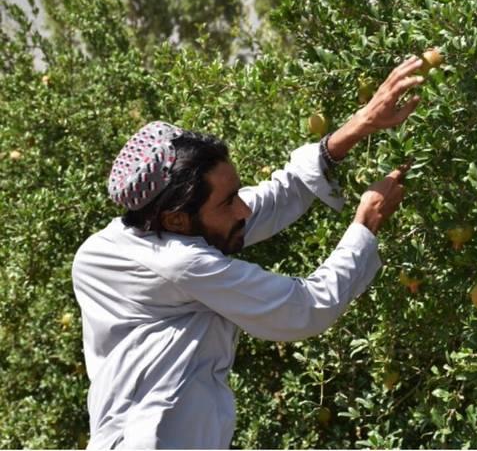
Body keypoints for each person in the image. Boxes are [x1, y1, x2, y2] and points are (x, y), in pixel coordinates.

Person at [72, 56, 427, 449]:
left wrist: (360, 125)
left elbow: (269, 200)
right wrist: (366, 223)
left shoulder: (104, 248)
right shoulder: (183, 263)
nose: (243, 210)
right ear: (175, 221)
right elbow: (304, 308)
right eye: (228, 203)